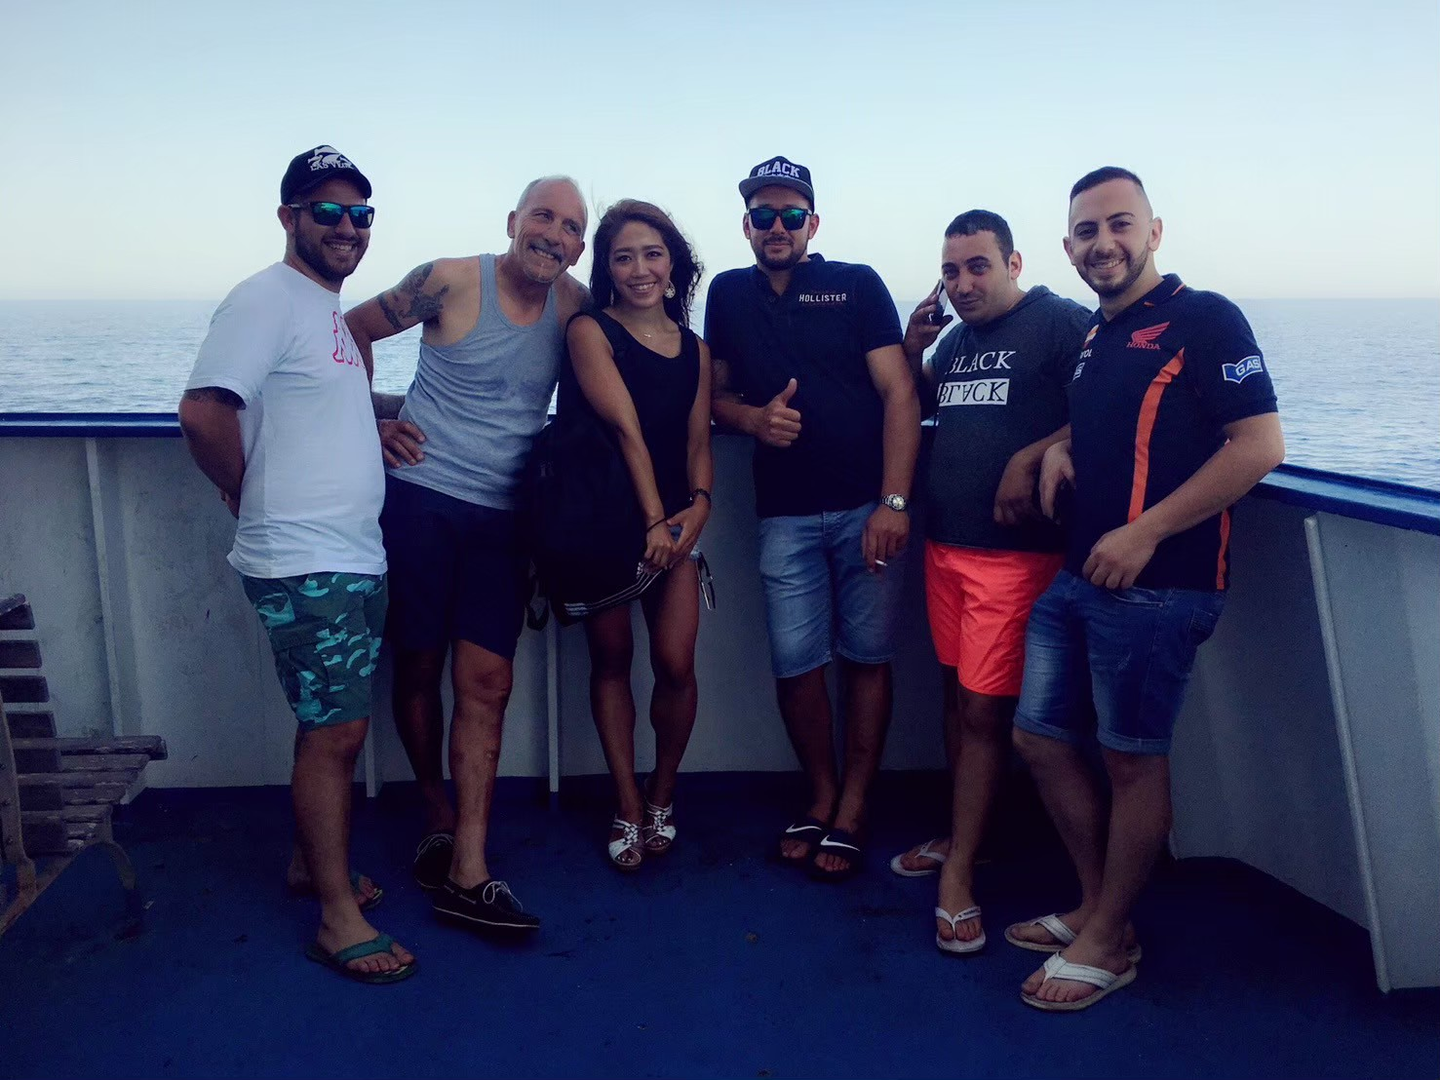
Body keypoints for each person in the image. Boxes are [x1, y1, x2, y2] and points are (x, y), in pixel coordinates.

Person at [1009, 167, 1285, 1009]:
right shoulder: (1098, 335)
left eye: (1119, 224)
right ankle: (1100, 911)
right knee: (1039, 738)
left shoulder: (1205, 318)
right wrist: (1053, 450)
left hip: (1160, 587)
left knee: (1132, 761)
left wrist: (1146, 531)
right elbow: (1109, 419)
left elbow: (1258, 445)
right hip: (1079, 577)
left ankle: (1106, 942)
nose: (1104, 243)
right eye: (1087, 231)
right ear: (1067, 248)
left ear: (1154, 231)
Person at [178, 145, 415, 983]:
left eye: (361, 213)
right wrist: (245, 492)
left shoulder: (326, 312)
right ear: (289, 217)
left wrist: (373, 427)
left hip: (349, 556)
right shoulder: (266, 298)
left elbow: (307, 404)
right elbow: (204, 411)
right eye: (328, 211)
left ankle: (308, 863)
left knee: (329, 724)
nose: (347, 227)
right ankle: (337, 918)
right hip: (305, 562)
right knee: (337, 734)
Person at [344, 177, 588, 932]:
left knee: (488, 682)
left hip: (505, 522)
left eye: (570, 226)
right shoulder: (449, 280)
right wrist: (368, 423)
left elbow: (635, 365)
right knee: (418, 665)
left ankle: (469, 868)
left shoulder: (575, 306)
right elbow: (350, 331)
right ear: (513, 221)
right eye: (543, 216)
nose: (553, 234)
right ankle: (437, 812)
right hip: (419, 502)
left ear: (580, 245)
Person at [706, 156, 920, 880]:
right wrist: (752, 421)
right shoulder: (727, 294)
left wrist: (894, 502)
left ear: (812, 224)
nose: (777, 226)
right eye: (763, 215)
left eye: (791, 215)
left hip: (866, 507)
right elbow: (715, 397)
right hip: (784, 515)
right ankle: (821, 794)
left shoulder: (857, 285)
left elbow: (899, 393)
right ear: (746, 226)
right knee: (796, 664)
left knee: (866, 658)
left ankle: (854, 805)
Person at [891, 211, 1091, 954]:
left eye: (978, 266)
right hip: (946, 549)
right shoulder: (955, 343)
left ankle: (961, 872)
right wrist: (914, 352)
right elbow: (924, 411)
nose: (963, 284)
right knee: (956, 698)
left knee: (982, 711)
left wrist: (1031, 456)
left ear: (1014, 263)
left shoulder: (1060, 323)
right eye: (951, 271)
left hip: (1015, 559)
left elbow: (1110, 405)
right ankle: (963, 834)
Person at [544, 200, 713, 869]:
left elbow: (698, 442)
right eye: (623, 257)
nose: (640, 269)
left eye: (652, 254)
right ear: (607, 269)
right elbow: (625, 430)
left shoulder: (696, 349)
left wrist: (699, 508)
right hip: (603, 523)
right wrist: (652, 520)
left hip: (673, 523)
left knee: (676, 665)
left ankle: (662, 794)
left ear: (673, 264)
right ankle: (626, 803)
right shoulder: (590, 330)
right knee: (612, 661)